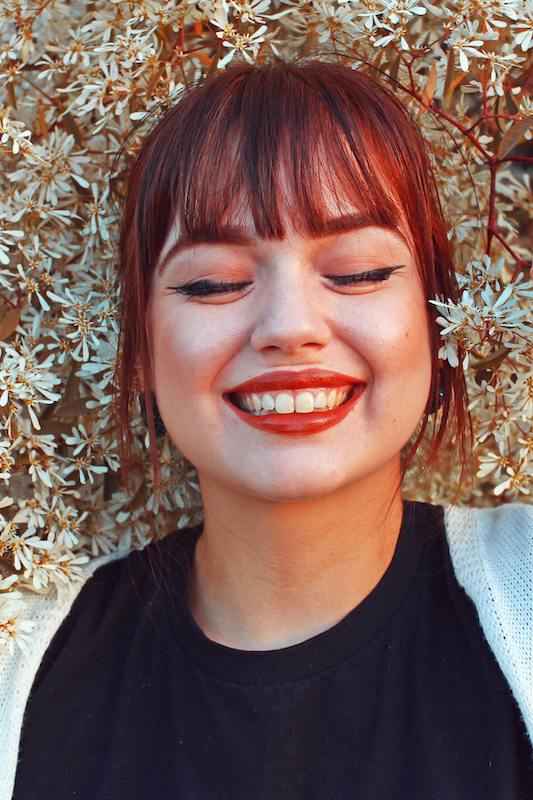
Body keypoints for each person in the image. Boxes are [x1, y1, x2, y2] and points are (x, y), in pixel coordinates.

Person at [5, 59, 533, 799]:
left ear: (438, 317)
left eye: (356, 273)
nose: (289, 328)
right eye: (212, 283)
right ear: (138, 350)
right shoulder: (20, 666)